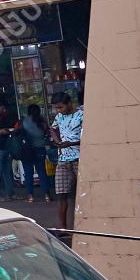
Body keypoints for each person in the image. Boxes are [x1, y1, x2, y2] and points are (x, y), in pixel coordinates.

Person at [50, 92, 82, 229]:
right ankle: (63, 227)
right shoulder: (59, 116)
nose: (59, 110)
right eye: (57, 108)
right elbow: (52, 128)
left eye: (61, 107)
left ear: (69, 103)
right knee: (61, 194)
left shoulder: (81, 115)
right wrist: (58, 142)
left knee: (83, 192)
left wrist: (71, 143)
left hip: (79, 157)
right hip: (63, 159)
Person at [20, 104, 51, 203]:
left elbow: (19, 133)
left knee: (28, 173)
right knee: (42, 172)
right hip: (40, 148)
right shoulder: (42, 121)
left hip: (27, 150)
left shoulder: (25, 121)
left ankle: (30, 196)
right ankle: (47, 195)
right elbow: (47, 133)